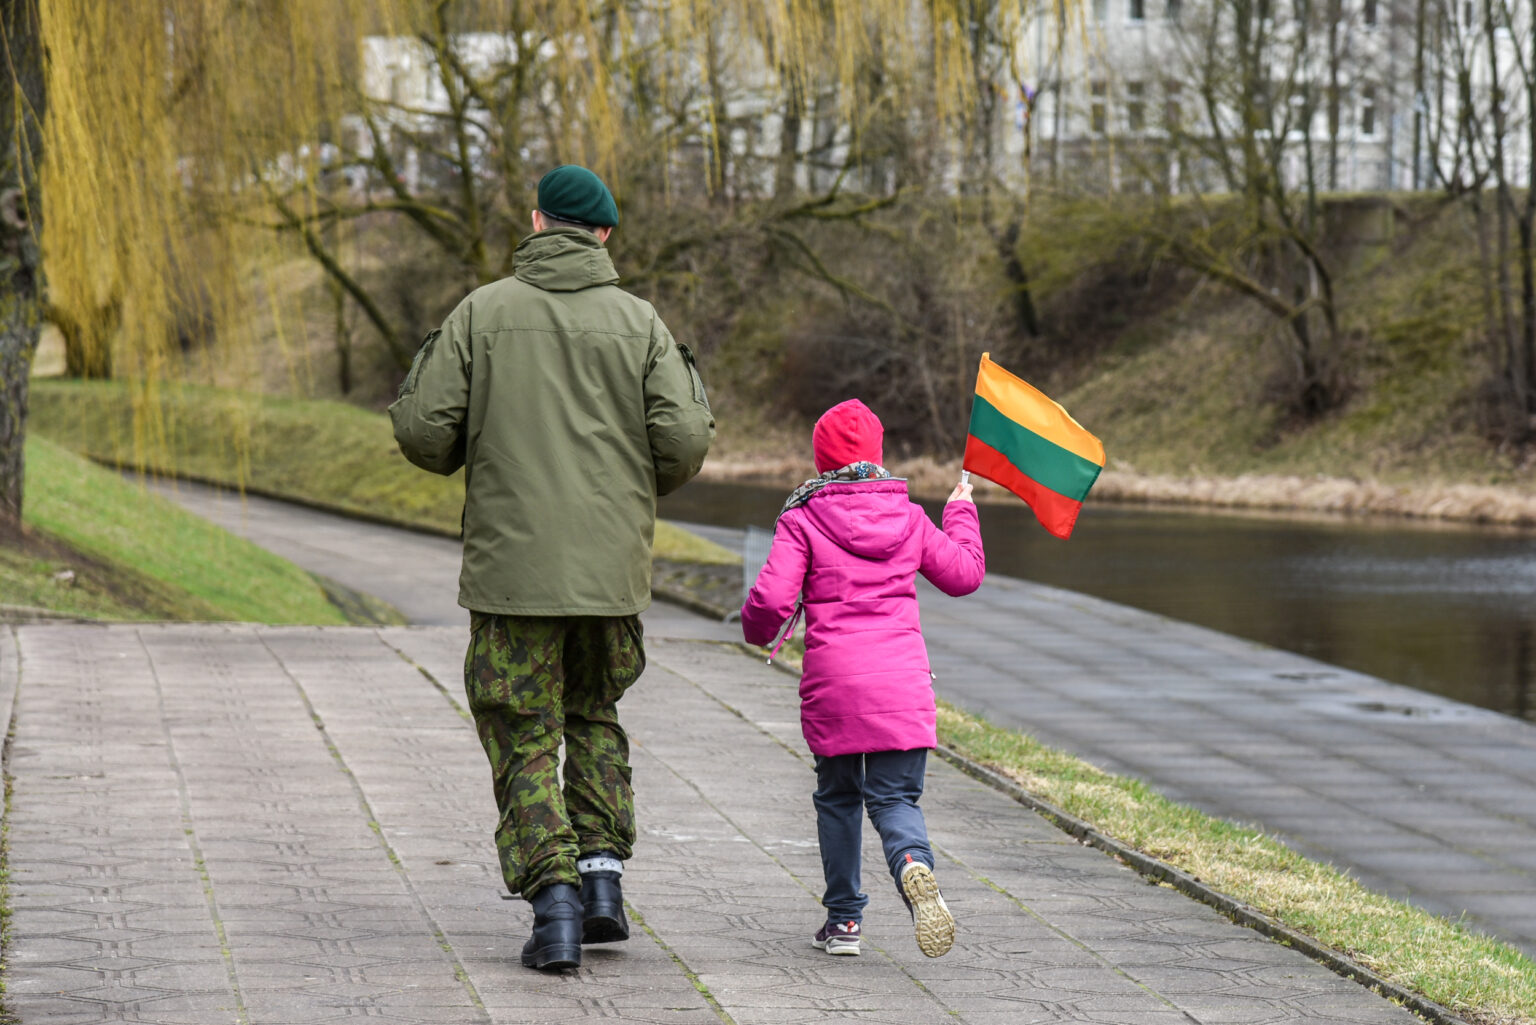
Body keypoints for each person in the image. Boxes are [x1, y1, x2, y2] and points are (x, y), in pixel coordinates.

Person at [389, 164, 715, 971]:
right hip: (610, 573)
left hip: (513, 573)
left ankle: (555, 900)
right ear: (604, 234)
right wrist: (630, 487)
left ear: (536, 222)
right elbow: (684, 441)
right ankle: (602, 881)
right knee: (594, 711)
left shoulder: (481, 312)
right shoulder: (640, 323)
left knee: (522, 728)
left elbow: (423, 431)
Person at [739, 398, 986, 959]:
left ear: (820, 458)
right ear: (879, 453)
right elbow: (965, 575)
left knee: (839, 798)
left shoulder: (803, 518)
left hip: (836, 687)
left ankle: (844, 921)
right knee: (895, 797)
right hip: (901, 685)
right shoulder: (909, 517)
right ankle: (913, 863)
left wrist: (756, 630)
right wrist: (961, 512)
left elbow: (771, 602)